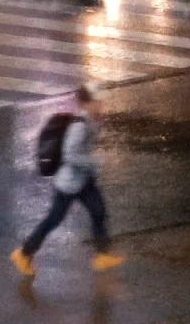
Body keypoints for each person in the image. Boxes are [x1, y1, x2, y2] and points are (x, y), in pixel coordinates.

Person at [13, 82, 121, 275]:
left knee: (98, 211)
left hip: (82, 180)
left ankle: (103, 255)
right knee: (54, 219)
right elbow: (70, 154)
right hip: (68, 184)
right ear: (87, 103)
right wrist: (94, 161)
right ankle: (24, 253)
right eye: (97, 101)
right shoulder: (79, 125)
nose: (101, 104)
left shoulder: (93, 119)